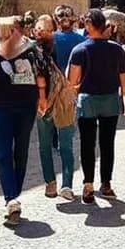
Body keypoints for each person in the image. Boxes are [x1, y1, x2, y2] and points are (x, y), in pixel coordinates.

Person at [0, 15, 48, 224]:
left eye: (13, 28)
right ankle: (11, 197)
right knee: (3, 152)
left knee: (21, 151)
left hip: (26, 108)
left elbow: (40, 75)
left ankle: (14, 193)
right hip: (1, 109)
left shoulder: (31, 50)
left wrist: (42, 98)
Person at [68, 9, 125, 204]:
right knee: (107, 143)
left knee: (87, 143)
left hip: (87, 101)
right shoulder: (116, 50)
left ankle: (88, 184)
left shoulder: (79, 50)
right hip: (110, 100)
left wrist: (70, 100)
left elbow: (73, 83)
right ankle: (106, 183)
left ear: (89, 25)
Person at [32, 15, 76, 201]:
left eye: (46, 30)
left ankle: (67, 185)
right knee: (45, 145)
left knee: (65, 144)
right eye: (39, 29)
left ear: (53, 31)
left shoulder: (63, 45)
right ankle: (50, 182)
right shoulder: (32, 50)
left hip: (63, 101)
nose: (42, 33)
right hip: (42, 103)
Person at [52, 4, 86, 72]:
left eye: (67, 15)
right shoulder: (51, 38)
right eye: (61, 15)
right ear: (55, 18)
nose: (65, 18)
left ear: (73, 17)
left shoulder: (82, 40)